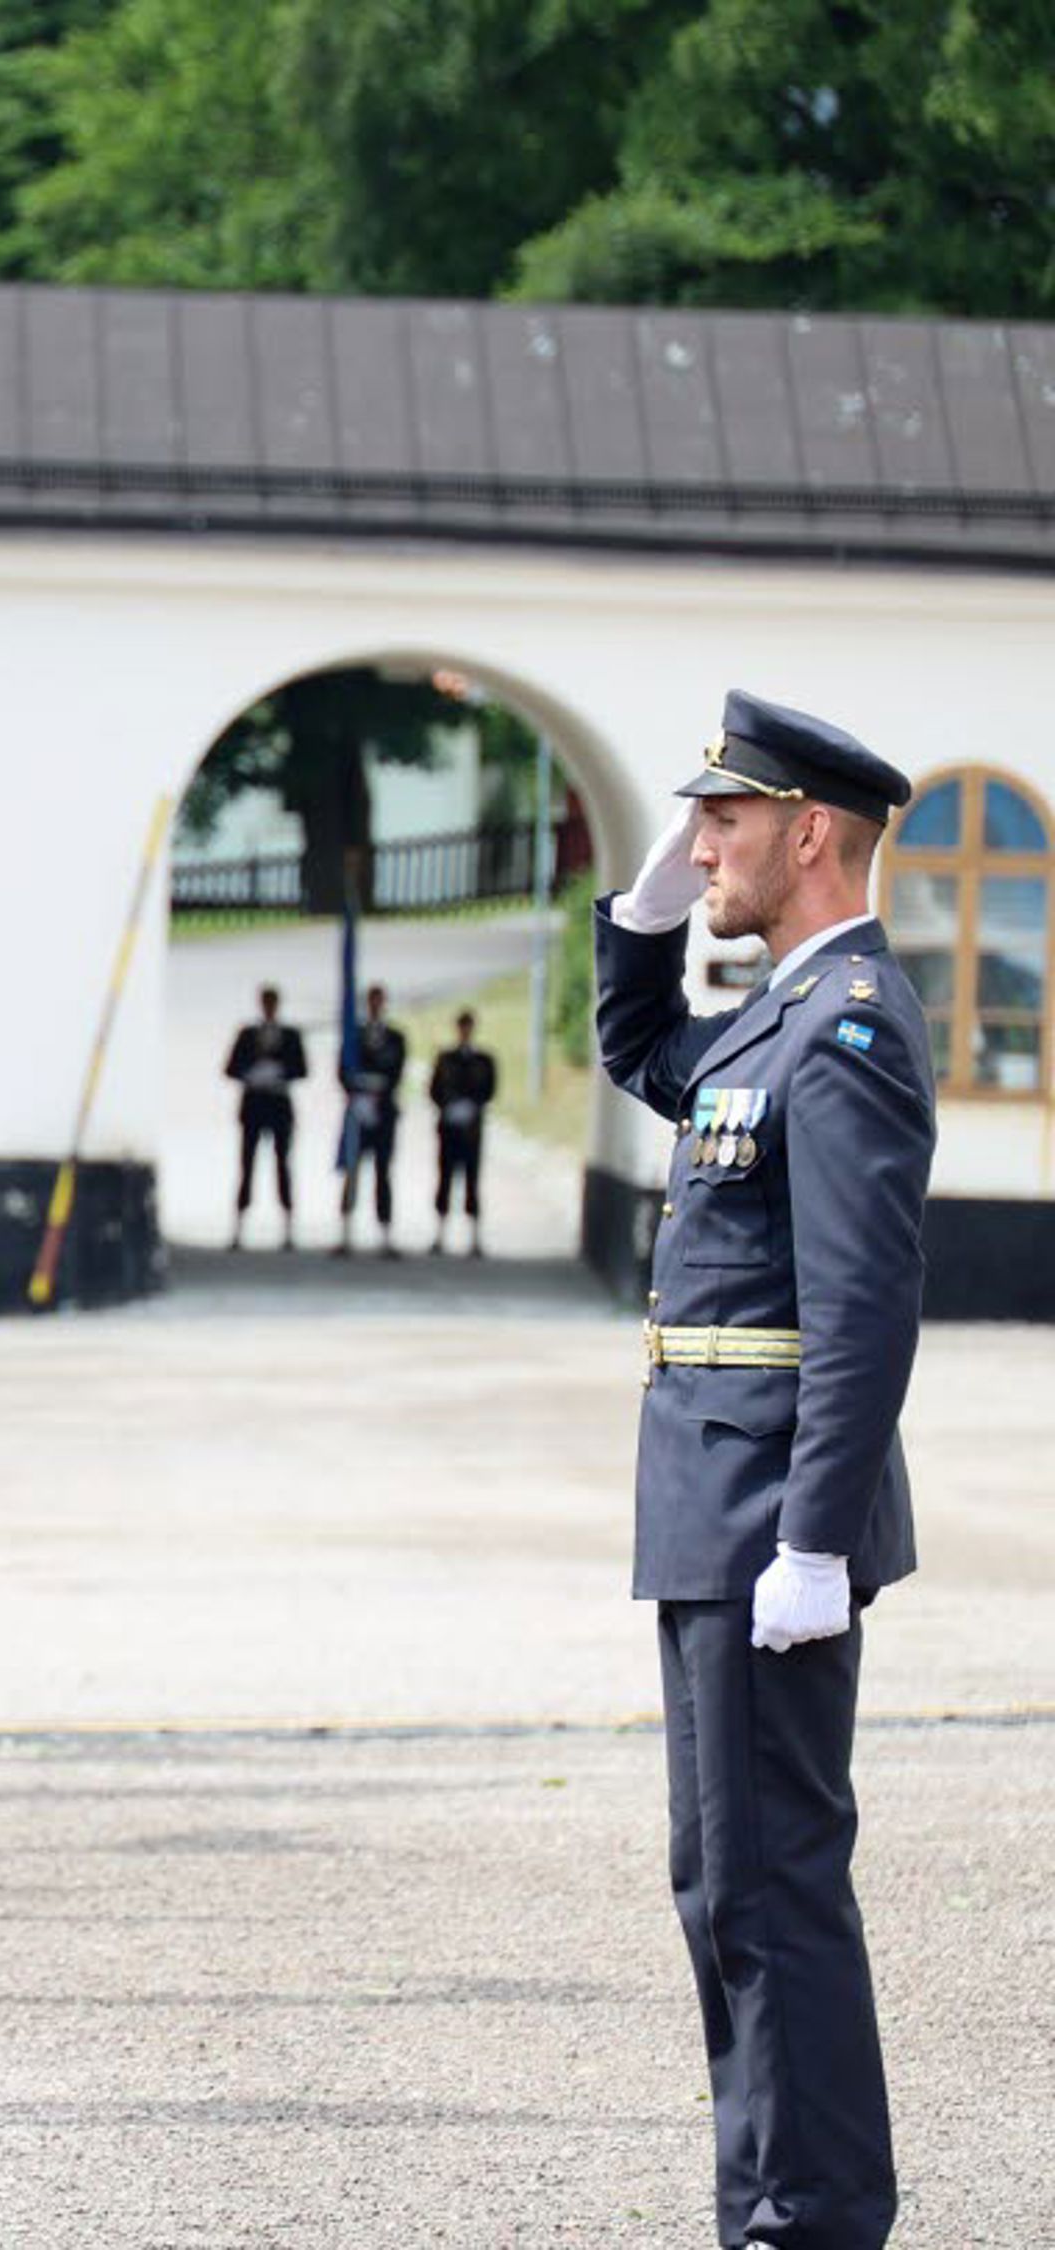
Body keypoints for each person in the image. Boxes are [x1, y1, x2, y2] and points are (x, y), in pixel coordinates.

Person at [596, 692, 927, 2250]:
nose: (700, 839)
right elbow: (646, 1051)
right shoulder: (776, 1011)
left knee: (775, 1890)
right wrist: (647, 912)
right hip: (708, 1512)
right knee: (726, 1890)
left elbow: (864, 1305)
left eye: (723, 819)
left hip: (765, 1524)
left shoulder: (849, 1022)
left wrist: (815, 1541)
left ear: (809, 831)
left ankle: (815, 2219)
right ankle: (776, 2208)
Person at [224, 985, 306, 1250]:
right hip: (254, 1104)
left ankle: (288, 1227)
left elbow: (301, 1068)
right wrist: (252, 1074)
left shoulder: (291, 1035)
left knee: (283, 1165)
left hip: (279, 1103)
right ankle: (238, 1227)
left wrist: (279, 1073)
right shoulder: (248, 1035)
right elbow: (231, 1067)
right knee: (247, 1165)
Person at [332, 982, 408, 1259]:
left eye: (380, 1001)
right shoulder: (355, 1036)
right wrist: (357, 1091)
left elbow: (398, 1072)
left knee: (382, 1173)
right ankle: (345, 1232)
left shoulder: (396, 1038)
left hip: (383, 1112)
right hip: (358, 1112)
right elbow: (342, 1070)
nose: (376, 1005)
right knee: (352, 1172)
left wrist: (378, 1089)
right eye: (372, 1001)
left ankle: (385, 1235)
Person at [427, 1008, 497, 1257]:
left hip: (471, 1129)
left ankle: (474, 1238)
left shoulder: (484, 1060)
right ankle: (439, 1234)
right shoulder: (445, 1058)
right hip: (449, 1128)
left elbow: (489, 1090)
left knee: (472, 1181)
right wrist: (449, 1106)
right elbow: (434, 1090)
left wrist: (471, 1107)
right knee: (445, 1179)